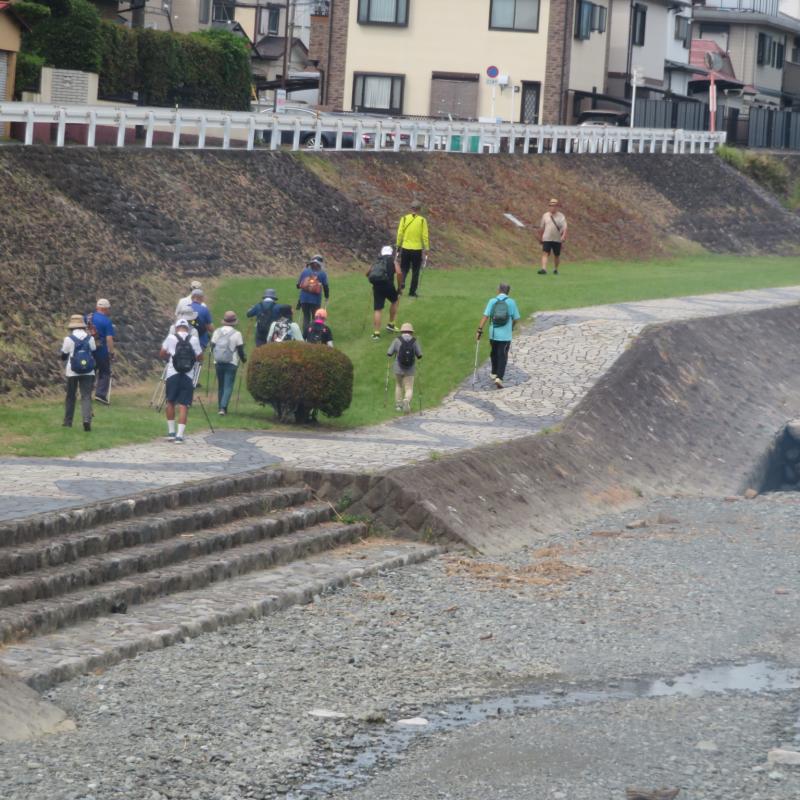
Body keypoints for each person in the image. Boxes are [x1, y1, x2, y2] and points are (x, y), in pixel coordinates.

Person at [160, 318, 203, 443]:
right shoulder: (193, 339)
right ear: (188, 329)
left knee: (170, 402)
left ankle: (171, 432)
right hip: (188, 375)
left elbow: (162, 353)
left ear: (177, 327)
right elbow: (200, 357)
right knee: (184, 405)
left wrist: (170, 358)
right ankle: (179, 435)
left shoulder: (171, 338)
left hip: (173, 373)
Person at [476, 283, 521, 390]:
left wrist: (479, 330)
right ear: (508, 292)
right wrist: (512, 327)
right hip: (505, 335)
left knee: (494, 352)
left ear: (498, 290)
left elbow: (485, 316)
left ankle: (494, 372)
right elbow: (516, 318)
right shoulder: (511, 302)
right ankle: (499, 378)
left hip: (493, 333)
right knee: (503, 355)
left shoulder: (492, 301)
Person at [60, 314, 97, 432]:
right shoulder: (90, 338)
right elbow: (93, 350)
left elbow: (63, 355)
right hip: (88, 371)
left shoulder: (68, 339)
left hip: (72, 371)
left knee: (71, 396)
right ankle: (86, 420)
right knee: (86, 396)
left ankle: (68, 422)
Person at [211, 311, 246, 416]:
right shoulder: (237, 334)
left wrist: (216, 356)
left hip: (218, 361)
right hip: (231, 362)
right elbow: (240, 350)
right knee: (228, 386)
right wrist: (244, 359)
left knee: (221, 385)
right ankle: (223, 407)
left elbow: (212, 346)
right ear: (234, 322)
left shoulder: (217, 331)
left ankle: (220, 407)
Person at [367, 245, 402, 341]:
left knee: (378, 309)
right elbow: (399, 273)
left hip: (377, 287)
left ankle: (376, 333)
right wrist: (399, 287)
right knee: (395, 301)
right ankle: (391, 324)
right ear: (391, 253)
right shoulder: (393, 261)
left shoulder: (376, 261)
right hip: (388, 286)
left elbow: (367, 273)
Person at [396, 199, 430, 298]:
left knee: (404, 268)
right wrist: (427, 248)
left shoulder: (404, 219)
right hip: (417, 249)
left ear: (411, 208)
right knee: (415, 270)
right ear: (419, 209)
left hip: (405, 247)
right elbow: (425, 236)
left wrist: (398, 245)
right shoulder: (422, 221)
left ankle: (401, 283)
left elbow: (400, 233)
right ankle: (412, 292)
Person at [387, 322, 423, 413]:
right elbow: (419, 355)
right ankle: (406, 400)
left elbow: (389, 353)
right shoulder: (414, 341)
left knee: (399, 386)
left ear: (402, 331)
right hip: (410, 369)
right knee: (409, 387)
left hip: (398, 368)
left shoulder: (397, 340)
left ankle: (398, 406)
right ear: (411, 332)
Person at [87, 298, 115, 405]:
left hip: (88, 349)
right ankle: (100, 394)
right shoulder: (107, 321)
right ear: (105, 309)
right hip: (101, 350)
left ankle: (86, 392)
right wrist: (111, 352)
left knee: (90, 371)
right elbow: (109, 338)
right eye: (108, 309)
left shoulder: (88, 317)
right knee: (104, 372)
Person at [296, 255, 330, 331]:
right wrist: (327, 296)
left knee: (306, 317)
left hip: (304, 299)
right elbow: (325, 286)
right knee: (315, 317)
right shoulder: (322, 273)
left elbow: (298, 285)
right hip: (315, 300)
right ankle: (313, 334)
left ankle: (305, 335)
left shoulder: (305, 271)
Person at [538, 198, 567, 275]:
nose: (552, 207)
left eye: (554, 206)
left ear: (557, 207)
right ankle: (543, 269)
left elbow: (565, 227)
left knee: (556, 255)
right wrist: (540, 237)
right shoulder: (545, 215)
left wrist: (563, 236)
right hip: (547, 238)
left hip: (557, 239)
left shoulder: (561, 216)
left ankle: (555, 269)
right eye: (551, 205)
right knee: (545, 253)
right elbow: (542, 227)